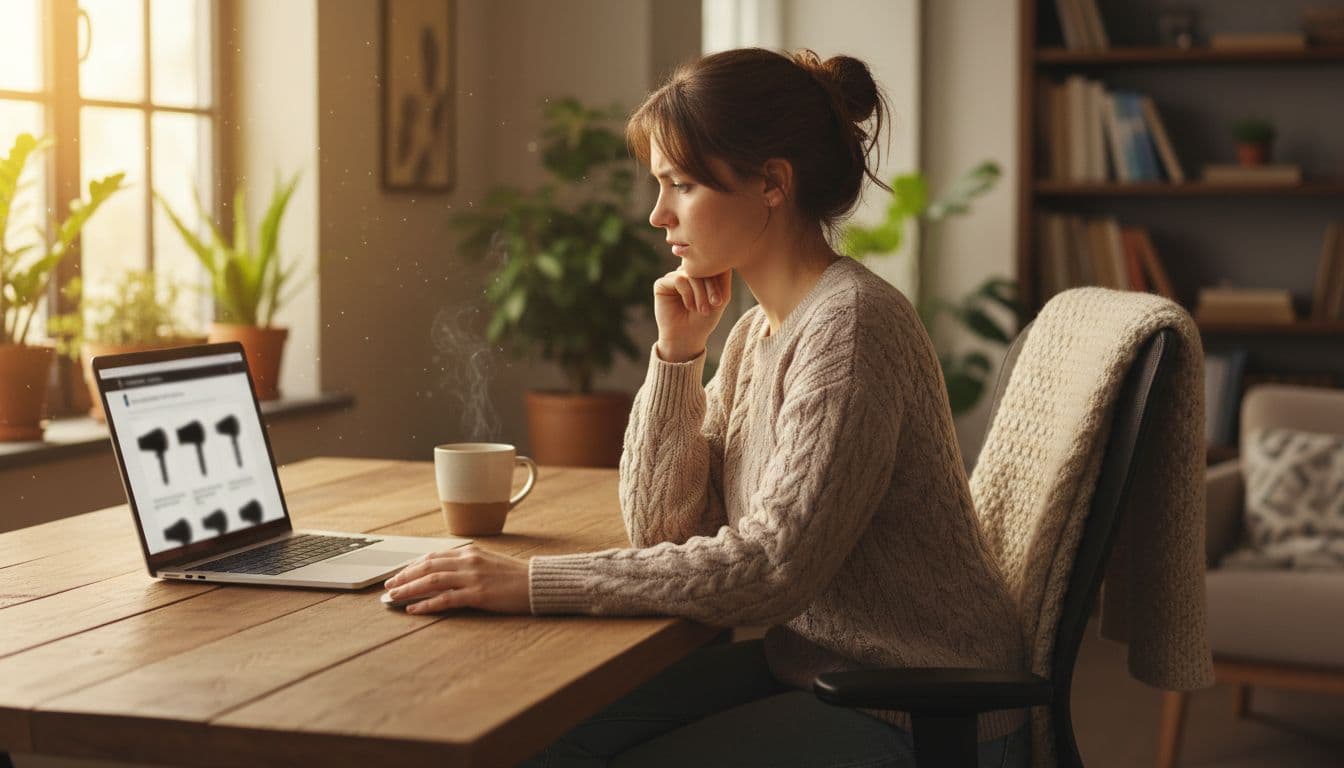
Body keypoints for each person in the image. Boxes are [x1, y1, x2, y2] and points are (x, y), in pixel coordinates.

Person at [384, 48, 1029, 767]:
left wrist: (531, 583)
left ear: (772, 183)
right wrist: (677, 358)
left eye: (681, 185)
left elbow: (770, 567)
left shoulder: (850, 328)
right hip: (814, 668)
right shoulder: (759, 331)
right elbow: (663, 527)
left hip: (916, 704)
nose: (658, 213)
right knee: (532, 736)